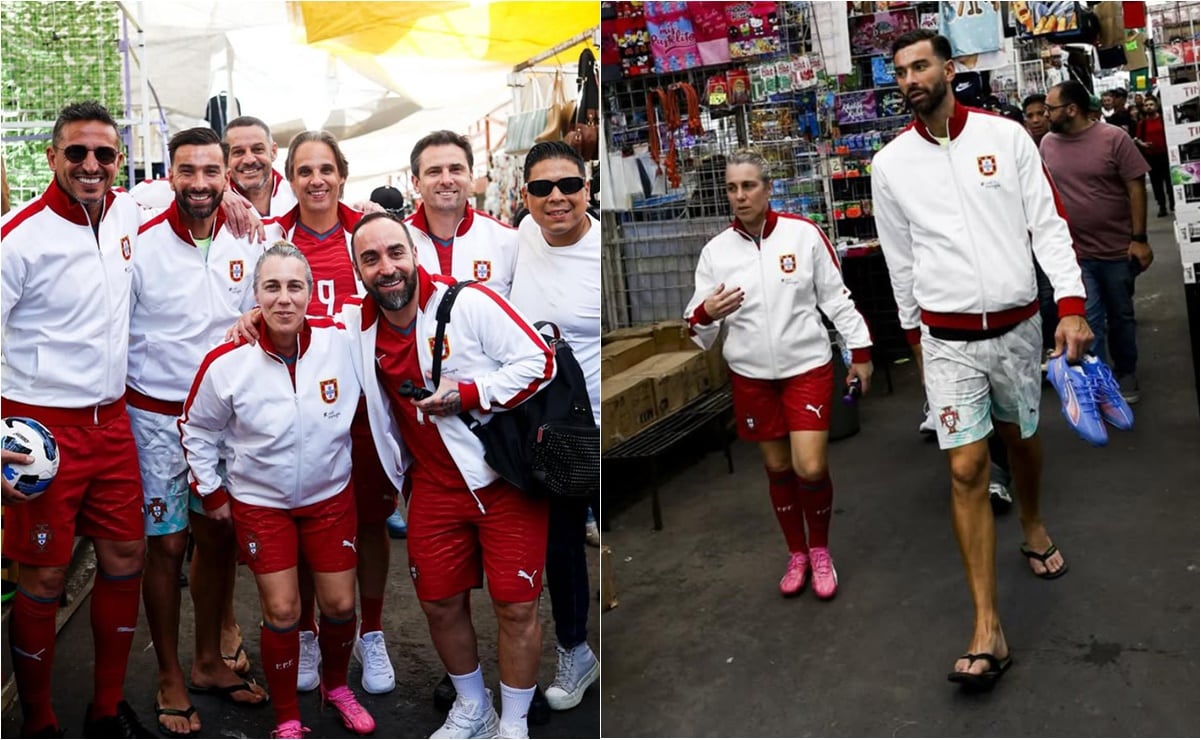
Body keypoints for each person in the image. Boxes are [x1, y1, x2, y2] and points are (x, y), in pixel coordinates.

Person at [871, 31, 1093, 689]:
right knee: (966, 465)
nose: (909, 78)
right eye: (899, 71)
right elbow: (899, 260)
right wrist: (914, 339)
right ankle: (986, 627)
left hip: (1019, 328)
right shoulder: (889, 165)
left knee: (1020, 439)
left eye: (919, 65)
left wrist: (1072, 302)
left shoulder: (1005, 139)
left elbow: (1046, 224)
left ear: (949, 67)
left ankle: (1030, 521)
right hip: (945, 340)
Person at [342, 212, 556, 740]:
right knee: (438, 602)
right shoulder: (354, 327)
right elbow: (296, 324)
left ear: (415, 254)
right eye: (371, 259)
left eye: (395, 253)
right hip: (433, 489)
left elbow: (539, 361)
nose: (386, 268)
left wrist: (469, 393)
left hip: (503, 482)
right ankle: (473, 708)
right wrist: (253, 318)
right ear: (358, 272)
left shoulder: (469, 303)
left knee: (516, 606)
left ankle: (513, 723)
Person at [1, 101, 153, 737]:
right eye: (77, 153)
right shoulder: (18, 236)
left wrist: (230, 197)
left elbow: (189, 193)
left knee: (125, 555)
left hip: (113, 421)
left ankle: (107, 707)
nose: (92, 165)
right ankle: (37, 719)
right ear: (52, 157)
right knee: (44, 572)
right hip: (39, 431)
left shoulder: (127, 211)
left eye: (105, 154)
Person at [180, 243, 374, 739]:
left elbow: (387, 299)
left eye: (294, 286)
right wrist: (214, 492)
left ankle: (337, 687)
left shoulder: (341, 337)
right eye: (271, 287)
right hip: (261, 502)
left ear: (312, 293)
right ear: (255, 295)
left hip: (330, 496)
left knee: (339, 606)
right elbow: (196, 428)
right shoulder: (227, 360)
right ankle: (287, 716)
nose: (284, 299)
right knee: (284, 610)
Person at [129, 127, 270, 735]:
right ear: (168, 175)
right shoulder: (135, 237)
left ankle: (210, 660)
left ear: (227, 175)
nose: (201, 185)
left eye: (212, 172)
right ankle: (168, 674)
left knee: (218, 536)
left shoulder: (252, 233)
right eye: (187, 172)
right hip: (156, 419)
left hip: (220, 423)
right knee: (164, 547)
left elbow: (279, 291)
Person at [685, 148, 874, 601]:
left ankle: (821, 548)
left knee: (810, 466)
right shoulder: (716, 253)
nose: (740, 195)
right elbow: (694, 323)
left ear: (768, 188)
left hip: (806, 368)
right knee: (777, 466)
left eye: (749, 185)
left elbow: (836, 299)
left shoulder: (802, 236)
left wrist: (861, 352)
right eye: (732, 188)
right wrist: (706, 313)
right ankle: (797, 553)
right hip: (751, 376)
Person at [263, 129, 400, 696]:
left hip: (362, 409)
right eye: (303, 171)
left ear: (343, 173)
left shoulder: (366, 231)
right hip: (293, 409)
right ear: (288, 179)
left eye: (326, 169)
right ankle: (307, 634)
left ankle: (371, 631)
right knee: (300, 522)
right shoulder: (270, 236)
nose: (316, 180)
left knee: (368, 522)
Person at [507, 141, 601, 711]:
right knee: (558, 545)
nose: (557, 198)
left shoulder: (599, 250)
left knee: (576, 539)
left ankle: (581, 648)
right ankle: (577, 650)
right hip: (541, 427)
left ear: (588, 187)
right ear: (526, 197)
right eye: (542, 189)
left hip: (595, 424)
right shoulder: (520, 235)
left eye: (569, 185)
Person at [1042, 80, 1152, 403]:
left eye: (1051, 109)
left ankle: (1126, 370)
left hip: (1117, 250)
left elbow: (1135, 186)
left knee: (1121, 315)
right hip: (1076, 253)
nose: (1047, 115)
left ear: (1072, 109)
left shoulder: (1112, 138)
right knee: (1090, 319)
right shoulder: (1047, 144)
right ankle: (1100, 383)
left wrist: (1139, 239)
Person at [406, 130, 519, 298]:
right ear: (416, 183)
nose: (446, 180)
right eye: (434, 172)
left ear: (470, 177)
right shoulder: (396, 241)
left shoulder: (508, 240)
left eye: (456, 170)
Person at [225, 115, 297, 217]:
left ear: (273, 151)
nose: (249, 160)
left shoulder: (298, 199)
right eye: (238, 152)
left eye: (257, 149)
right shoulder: (216, 208)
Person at [1134, 96, 1175, 217]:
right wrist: (1142, 144)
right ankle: (1161, 205)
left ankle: (1173, 202)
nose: (1149, 107)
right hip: (1151, 157)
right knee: (1156, 183)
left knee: (1169, 180)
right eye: (1146, 105)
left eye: (1151, 104)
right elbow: (1137, 138)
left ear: (1156, 106)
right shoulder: (1142, 123)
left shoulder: (1164, 120)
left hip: (1166, 155)